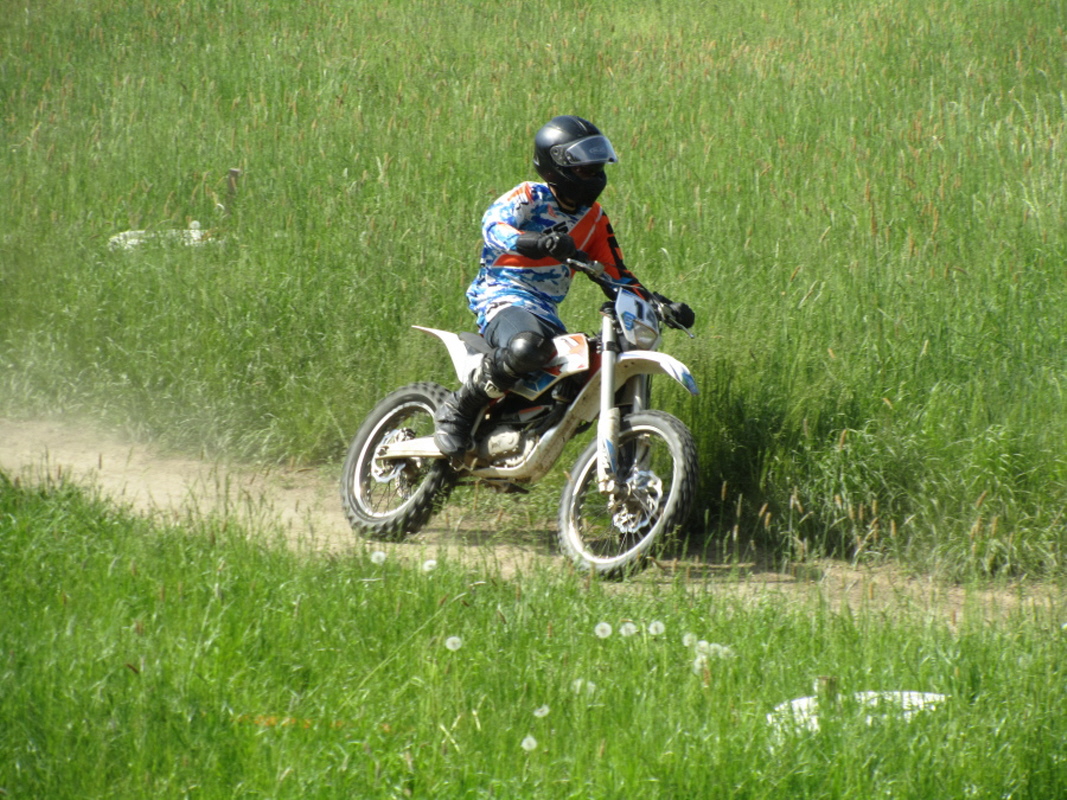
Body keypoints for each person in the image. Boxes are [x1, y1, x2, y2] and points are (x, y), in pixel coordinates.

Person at [433, 115, 694, 459]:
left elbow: (616, 274)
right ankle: (458, 409)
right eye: (585, 169)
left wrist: (659, 303)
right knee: (527, 348)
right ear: (556, 166)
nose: (595, 175)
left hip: (545, 312)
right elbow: (493, 226)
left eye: (597, 167)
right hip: (501, 297)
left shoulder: (595, 219)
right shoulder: (529, 196)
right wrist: (536, 242)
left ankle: (522, 436)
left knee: (580, 377)